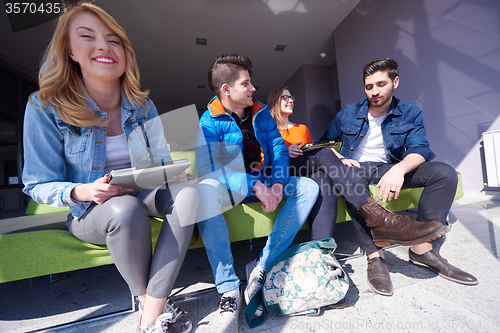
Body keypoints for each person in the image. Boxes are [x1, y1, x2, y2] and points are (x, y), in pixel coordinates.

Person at [21, 4, 198, 333]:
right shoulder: (44, 106)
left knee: (187, 195)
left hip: (141, 193)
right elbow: (37, 183)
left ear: (125, 53)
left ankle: (151, 314)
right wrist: (84, 190)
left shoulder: (143, 106)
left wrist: (172, 173)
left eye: (113, 39)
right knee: (124, 208)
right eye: (87, 36)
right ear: (70, 50)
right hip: (91, 209)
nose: (103, 45)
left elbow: (157, 159)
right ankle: (150, 303)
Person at [268, 86, 455, 296]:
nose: (290, 100)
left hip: (309, 167)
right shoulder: (268, 126)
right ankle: (378, 216)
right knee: (324, 155)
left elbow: (316, 148)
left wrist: (341, 160)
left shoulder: (301, 128)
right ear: (275, 100)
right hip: (285, 168)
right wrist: (286, 150)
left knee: (324, 180)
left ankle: (321, 257)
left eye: (291, 96)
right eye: (285, 97)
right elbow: (265, 154)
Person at [321, 58, 478, 295]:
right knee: (352, 178)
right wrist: (340, 159)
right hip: (356, 167)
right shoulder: (348, 113)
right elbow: (325, 143)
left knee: (445, 173)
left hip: (389, 166)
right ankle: (376, 257)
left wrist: (399, 169)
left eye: (380, 84)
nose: (374, 91)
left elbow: (421, 148)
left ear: (395, 81)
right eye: (369, 86)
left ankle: (422, 249)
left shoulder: (409, 112)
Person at [195, 54, 319, 332]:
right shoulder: (209, 121)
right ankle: (228, 289)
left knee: (309, 186)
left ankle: (261, 266)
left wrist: (276, 183)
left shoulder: (262, 113)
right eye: (246, 83)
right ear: (226, 89)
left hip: (266, 180)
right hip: (234, 187)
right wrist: (255, 186)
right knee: (203, 191)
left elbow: (277, 148)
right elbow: (210, 169)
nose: (253, 89)